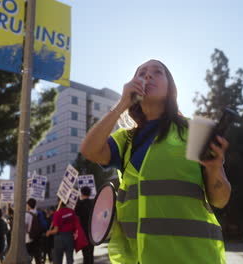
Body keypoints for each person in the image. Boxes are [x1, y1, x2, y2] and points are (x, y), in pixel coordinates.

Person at [80, 59, 231, 264]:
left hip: (194, 256)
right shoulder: (125, 140)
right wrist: (122, 104)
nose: (148, 75)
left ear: (171, 89)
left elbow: (220, 200)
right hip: (138, 258)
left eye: (157, 72)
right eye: (141, 73)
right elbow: (89, 150)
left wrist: (214, 169)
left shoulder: (192, 131)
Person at [75, 186, 95, 264]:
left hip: (83, 232)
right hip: (92, 231)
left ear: (82, 193)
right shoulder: (93, 203)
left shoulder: (79, 204)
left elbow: (76, 214)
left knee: (85, 253)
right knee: (91, 252)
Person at [26, 198, 42, 264]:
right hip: (38, 237)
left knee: (29, 257)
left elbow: (25, 226)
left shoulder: (27, 215)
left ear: (29, 205)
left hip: (29, 238)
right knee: (37, 257)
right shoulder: (39, 213)